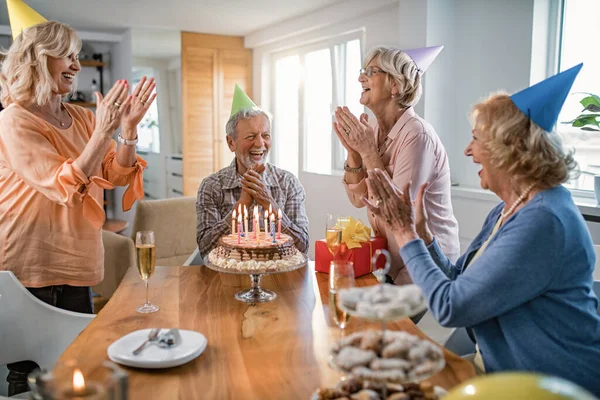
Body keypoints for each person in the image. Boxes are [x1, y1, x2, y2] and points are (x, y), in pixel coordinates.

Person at [363, 63, 600, 396]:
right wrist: (425, 236)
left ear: (509, 151)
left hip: (548, 387)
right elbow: (458, 282)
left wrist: (406, 235)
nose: (467, 150)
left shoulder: (545, 221)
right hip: (499, 370)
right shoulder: (509, 209)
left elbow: (451, 306)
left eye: (475, 139)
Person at [0, 12, 155, 396]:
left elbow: (115, 176)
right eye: (66, 54)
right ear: (37, 58)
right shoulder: (14, 120)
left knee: (77, 363)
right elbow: (62, 183)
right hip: (29, 260)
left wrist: (128, 131)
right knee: (29, 372)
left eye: (77, 54)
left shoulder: (83, 118)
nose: (75, 63)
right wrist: (104, 131)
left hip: (78, 258)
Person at [334, 45, 459, 286]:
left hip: (427, 266)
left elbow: (396, 211)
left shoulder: (417, 134)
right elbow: (359, 200)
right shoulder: (376, 130)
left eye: (371, 72)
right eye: (363, 71)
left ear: (395, 85)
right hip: (393, 260)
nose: (361, 77)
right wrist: (354, 154)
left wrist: (368, 151)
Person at [196, 85, 309, 257]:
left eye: (265, 135)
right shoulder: (211, 187)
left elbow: (302, 247)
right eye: (251, 136)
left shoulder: (288, 183)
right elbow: (205, 250)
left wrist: (269, 202)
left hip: (278, 278)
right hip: (229, 280)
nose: (260, 144)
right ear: (231, 142)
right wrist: (242, 203)